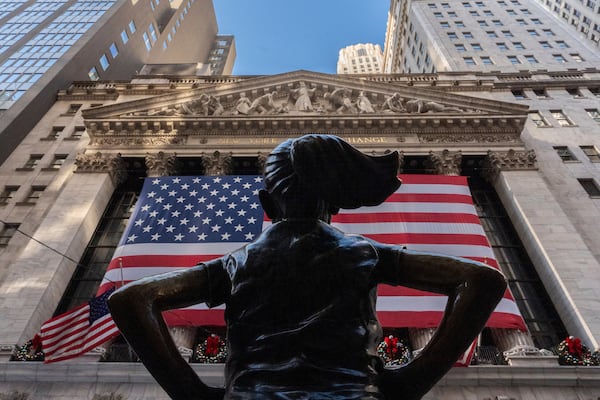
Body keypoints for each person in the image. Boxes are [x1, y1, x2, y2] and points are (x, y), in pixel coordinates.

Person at [109, 134, 506, 400]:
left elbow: (131, 298)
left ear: (267, 204)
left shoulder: (238, 263)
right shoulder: (364, 253)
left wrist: (194, 395)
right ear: (335, 202)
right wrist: (409, 382)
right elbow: (481, 279)